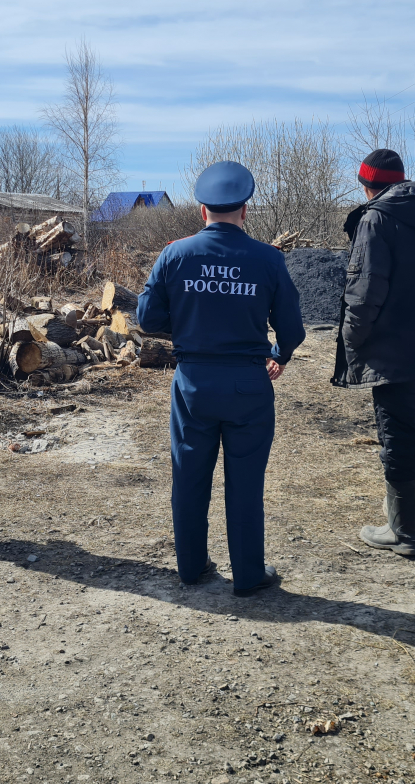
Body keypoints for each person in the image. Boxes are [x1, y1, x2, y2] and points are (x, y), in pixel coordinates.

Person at [138, 161, 305, 597]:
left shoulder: (175, 254)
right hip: (248, 384)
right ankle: (249, 575)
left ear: (201, 211)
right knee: (246, 483)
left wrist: (193, 325)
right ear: (245, 211)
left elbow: (147, 317)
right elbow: (292, 329)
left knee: (189, 475)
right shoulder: (268, 258)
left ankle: (191, 567)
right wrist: (280, 354)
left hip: (194, 380)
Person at [331, 149, 415, 556]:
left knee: (397, 436)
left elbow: (365, 287)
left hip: (393, 347)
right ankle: (405, 517)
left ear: (365, 182)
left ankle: (402, 532)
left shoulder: (376, 218)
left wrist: (352, 337)